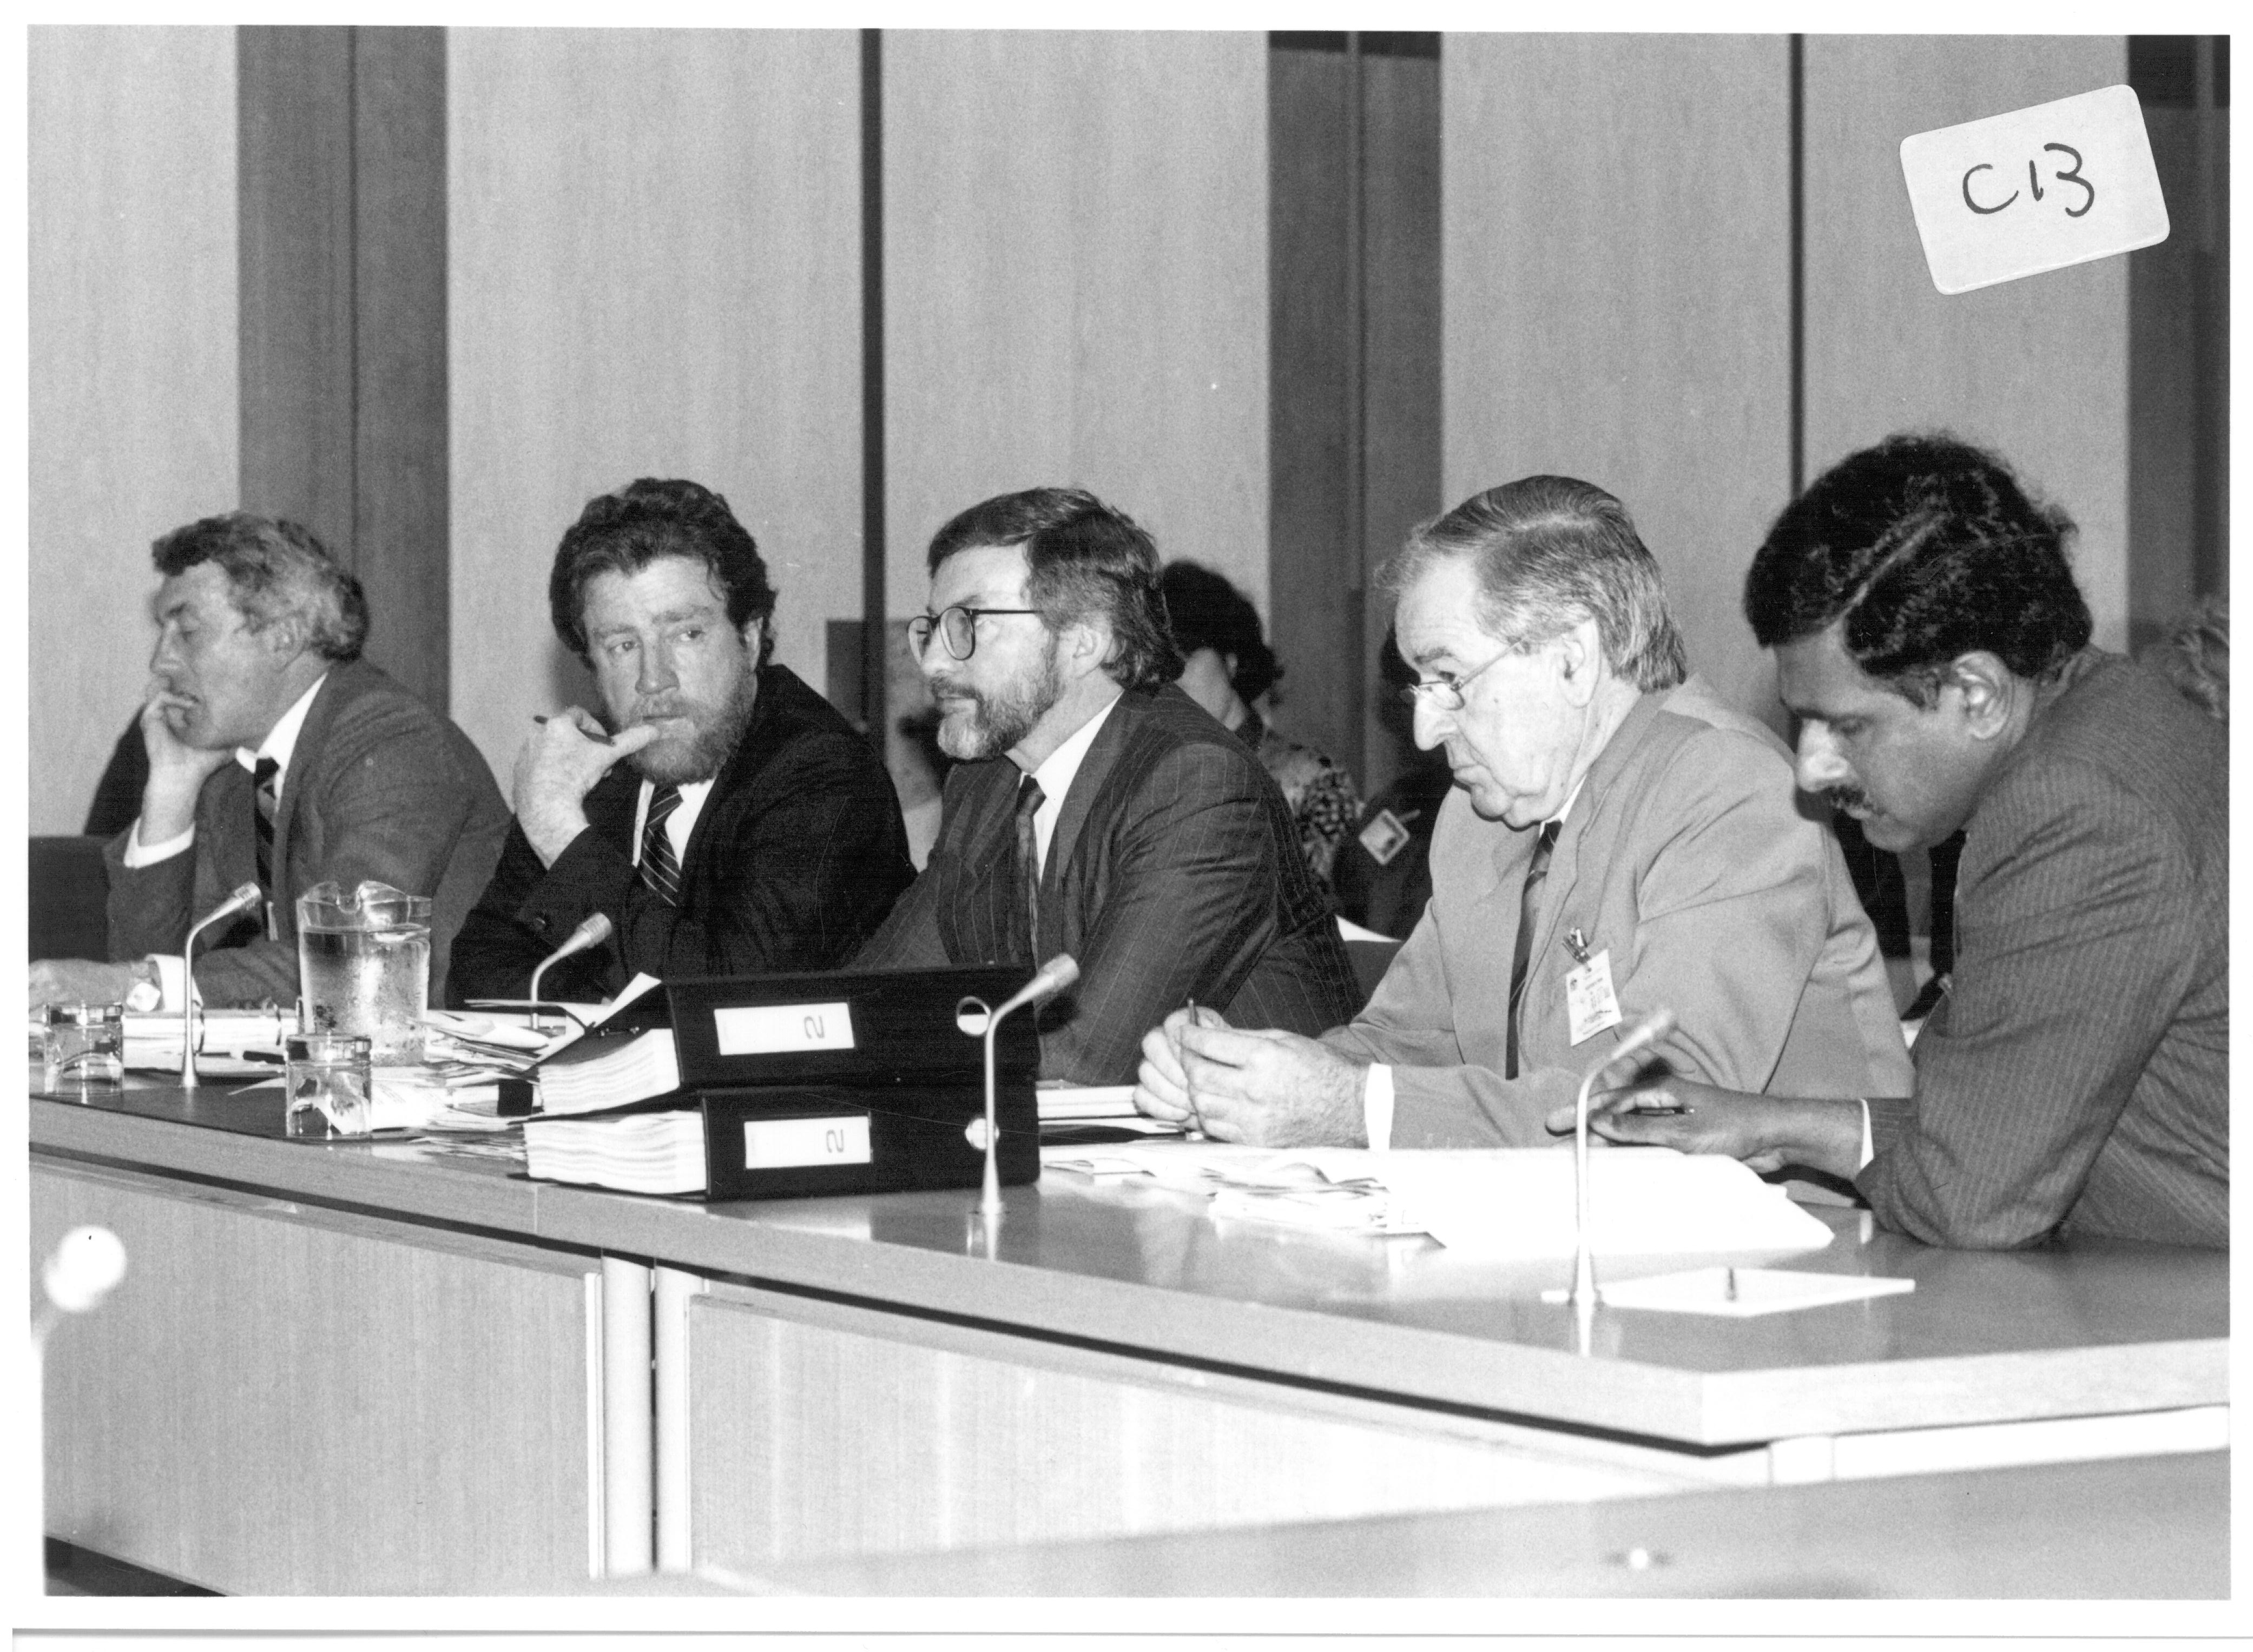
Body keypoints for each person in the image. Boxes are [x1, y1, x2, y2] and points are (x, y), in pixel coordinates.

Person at [1579, 435, 2227, 1250]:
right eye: (1802, 722)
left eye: (1848, 725)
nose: (1813, 769)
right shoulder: (2109, 721)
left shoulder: (2075, 808)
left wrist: (1815, 1133)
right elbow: (1998, 1120)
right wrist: (1785, 1125)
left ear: (1977, 694)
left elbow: (1969, 1196)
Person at [1135, 474, 1911, 1146]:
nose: (1423, 728)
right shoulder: (1480, 819)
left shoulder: (1730, 790)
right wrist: (1241, 1073)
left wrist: (1349, 1108)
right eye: (1418, 685)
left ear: (1572, 656)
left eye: (1450, 679)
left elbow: (1660, 1115)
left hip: (1804, 1269)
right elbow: (1404, 1042)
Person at [853, 486, 1361, 1084]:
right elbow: (872, 1004)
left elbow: (1083, 1064)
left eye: (969, 624)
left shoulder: (1196, 782)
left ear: (1084, 641)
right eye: (933, 627)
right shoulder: (985, 783)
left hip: (1260, 1168)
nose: (934, 661)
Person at [448, 478, 914, 1002]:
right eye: (623, 645)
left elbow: (728, 1000)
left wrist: (560, 830)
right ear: (592, 666)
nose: (654, 679)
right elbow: (478, 973)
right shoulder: (593, 773)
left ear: (751, 637)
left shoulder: (822, 773)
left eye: (686, 634)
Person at [30, 512, 509, 1010]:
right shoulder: (241, 770)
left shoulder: (393, 743)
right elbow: (148, 966)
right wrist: (172, 790)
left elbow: (346, 957)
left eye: (187, 632)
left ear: (284, 636)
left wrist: (132, 984)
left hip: (442, 1069)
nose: (160, 663)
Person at [1160, 561, 1361, 890]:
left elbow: (1316, 908)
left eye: (1184, 660)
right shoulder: (1151, 779)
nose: (1173, 681)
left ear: (1230, 658)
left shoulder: (1315, 781)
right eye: (1159, 669)